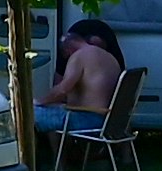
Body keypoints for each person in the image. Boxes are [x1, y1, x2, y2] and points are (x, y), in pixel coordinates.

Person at [35, 16, 128, 150]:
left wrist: (40, 101)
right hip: (109, 120)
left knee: (30, 114)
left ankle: (32, 164)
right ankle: (58, 167)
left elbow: (62, 91)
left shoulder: (78, 56)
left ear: (67, 50)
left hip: (87, 120)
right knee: (53, 114)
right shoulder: (110, 58)